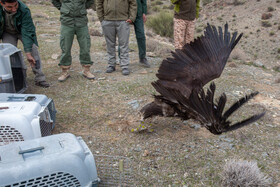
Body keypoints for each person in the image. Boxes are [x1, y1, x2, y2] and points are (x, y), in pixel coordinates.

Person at [0, 0, 50, 88]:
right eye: (10, 7)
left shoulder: (24, 10)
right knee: (8, 55)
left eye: (15, 5)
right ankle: (17, 80)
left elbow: (27, 31)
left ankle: (40, 79)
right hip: (7, 32)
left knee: (33, 51)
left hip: (22, 31)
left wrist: (28, 52)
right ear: (1, 3)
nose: (14, 9)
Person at [51, 0, 95, 82]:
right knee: (65, 47)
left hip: (81, 21)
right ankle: (65, 71)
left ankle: (86, 70)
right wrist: (63, 8)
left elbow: (90, 1)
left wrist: (82, 8)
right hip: (67, 21)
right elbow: (55, 1)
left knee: (85, 46)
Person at [96, 0, 137, 76]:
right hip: (107, 20)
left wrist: (132, 17)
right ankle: (111, 65)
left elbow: (133, 3)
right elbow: (99, 3)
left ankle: (124, 66)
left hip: (123, 21)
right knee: (110, 44)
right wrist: (101, 18)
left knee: (124, 44)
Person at [134, 0, 150, 68]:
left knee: (141, 36)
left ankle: (142, 58)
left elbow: (144, 1)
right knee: (123, 37)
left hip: (138, 14)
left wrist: (144, 12)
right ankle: (121, 58)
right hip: (125, 14)